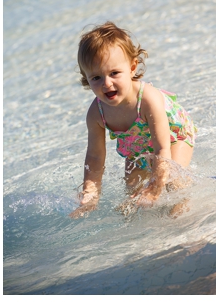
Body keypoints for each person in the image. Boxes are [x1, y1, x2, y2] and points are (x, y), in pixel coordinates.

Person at [71, 22, 195, 218]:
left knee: (173, 179)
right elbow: (95, 157)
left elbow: (162, 150)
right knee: (131, 191)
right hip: (137, 147)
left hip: (172, 135)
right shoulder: (96, 113)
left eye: (114, 73)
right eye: (96, 77)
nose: (106, 83)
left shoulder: (147, 100)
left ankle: (182, 218)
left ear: (132, 67)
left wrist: (155, 187)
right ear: (86, 79)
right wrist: (90, 192)